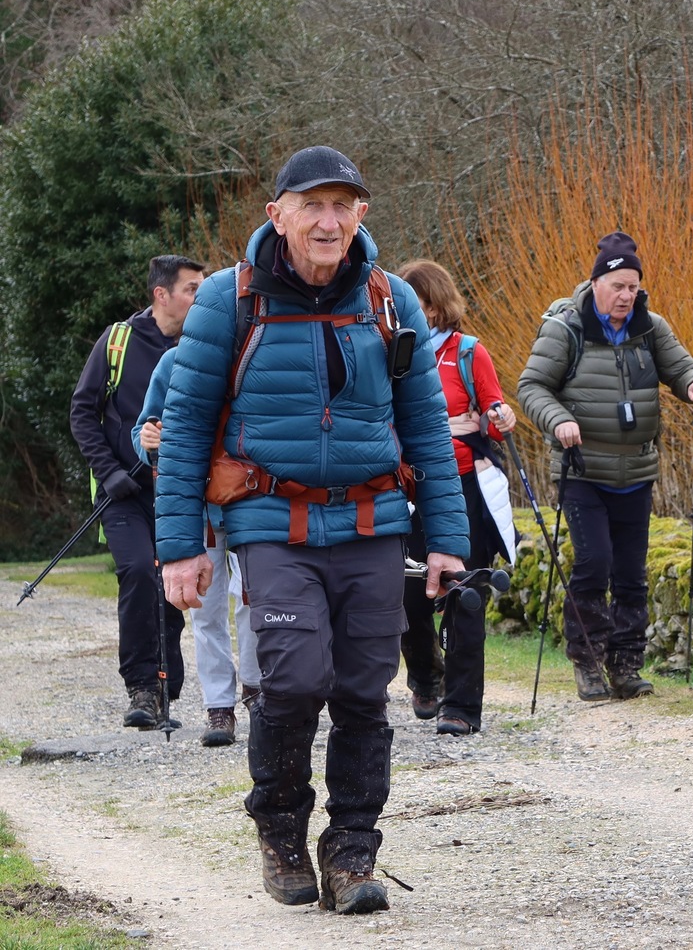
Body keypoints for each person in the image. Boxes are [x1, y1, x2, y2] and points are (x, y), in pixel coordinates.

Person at [154, 146, 469, 915]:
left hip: (373, 522)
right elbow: (185, 425)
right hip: (271, 521)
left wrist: (447, 538)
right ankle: (281, 829)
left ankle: (352, 851)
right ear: (278, 214)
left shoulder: (390, 299)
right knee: (293, 681)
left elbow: (427, 427)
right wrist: (180, 547)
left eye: (342, 206)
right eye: (312, 206)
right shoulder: (228, 300)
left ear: (361, 214)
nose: (328, 222)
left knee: (365, 692)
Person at [517, 231, 693, 702]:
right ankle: (588, 662)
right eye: (618, 286)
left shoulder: (650, 327)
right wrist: (559, 420)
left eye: (633, 287)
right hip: (582, 469)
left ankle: (626, 666)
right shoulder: (565, 328)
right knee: (593, 563)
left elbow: (681, 367)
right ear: (596, 284)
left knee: (631, 573)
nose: (627, 295)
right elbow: (531, 387)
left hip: (636, 470)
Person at [69, 255, 204, 730]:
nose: (199, 298)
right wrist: (109, 472)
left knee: (173, 582)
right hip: (121, 494)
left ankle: (167, 688)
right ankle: (143, 688)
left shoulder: (200, 345)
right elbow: (82, 412)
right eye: (191, 289)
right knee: (139, 572)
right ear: (161, 294)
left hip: (178, 492)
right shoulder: (118, 342)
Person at [394, 259, 518, 736]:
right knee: (408, 594)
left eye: (416, 303)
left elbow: (492, 414)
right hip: (407, 488)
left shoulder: (468, 352)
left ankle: (461, 706)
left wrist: (499, 417)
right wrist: (446, 427)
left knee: (466, 593)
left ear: (435, 305)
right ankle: (426, 676)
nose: (406, 310)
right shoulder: (393, 349)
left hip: (464, 485)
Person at [136, 346, 257, 748]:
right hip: (200, 508)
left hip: (251, 500)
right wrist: (148, 440)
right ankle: (218, 706)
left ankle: (256, 690)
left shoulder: (256, 349)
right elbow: (145, 432)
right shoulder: (174, 362)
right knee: (205, 611)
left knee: (254, 599)